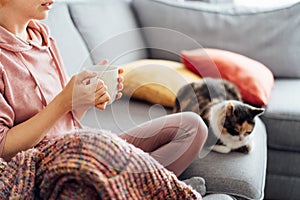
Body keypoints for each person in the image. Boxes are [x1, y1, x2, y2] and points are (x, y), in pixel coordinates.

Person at [0, 0, 207, 179]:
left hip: (83, 148)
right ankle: (150, 187)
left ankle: (129, 188)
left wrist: (85, 98)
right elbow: (3, 148)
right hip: (52, 167)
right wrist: (64, 101)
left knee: (192, 126)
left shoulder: (42, 38)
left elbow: (66, 120)